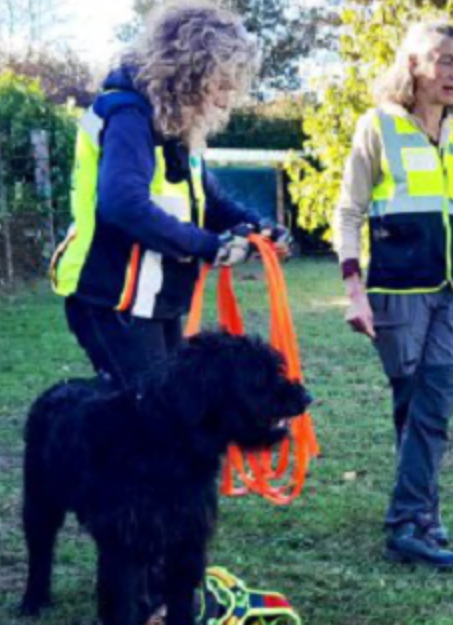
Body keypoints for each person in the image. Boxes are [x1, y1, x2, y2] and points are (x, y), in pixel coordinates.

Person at [51, 0, 281, 387]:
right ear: (189, 73)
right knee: (152, 423)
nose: (225, 100)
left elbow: (210, 204)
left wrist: (259, 229)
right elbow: (124, 204)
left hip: (157, 297)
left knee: (165, 417)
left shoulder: (173, 126)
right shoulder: (128, 116)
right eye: (220, 85)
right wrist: (208, 245)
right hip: (114, 295)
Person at [333, 21, 453, 569]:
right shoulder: (379, 127)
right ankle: (423, 519)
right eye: (443, 59)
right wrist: (354, 288)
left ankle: (408, 521)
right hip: (397, 289)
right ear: (414, 64)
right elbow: (348, 210)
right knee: (413, 406)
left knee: (436, 399)